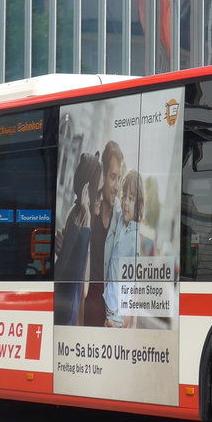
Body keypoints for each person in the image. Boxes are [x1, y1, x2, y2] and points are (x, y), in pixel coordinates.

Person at [53, 153, 101, 327]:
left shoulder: (81, 217)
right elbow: (70, 275)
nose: (100, 198)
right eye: (99, 192)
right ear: (88, 190)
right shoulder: (80, 217)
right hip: (67, 310)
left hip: (70, 308)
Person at [85, 140, 124, 328]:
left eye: (119, 178)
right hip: (88, 300)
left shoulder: (121, 217)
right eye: (112, 177)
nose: (116, 186)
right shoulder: (90, 207)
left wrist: (116, 316)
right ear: (103, 175)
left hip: (109, 307)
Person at [103, 169, 143, 328]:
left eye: (131, 199)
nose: (126, 202)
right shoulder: (121, 220)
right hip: (109, 303)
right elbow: (117, 205)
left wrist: (127, 316)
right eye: (124, 196)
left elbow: (134, 282)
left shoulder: (134, 238)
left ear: (139, 205)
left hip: (118, 311)